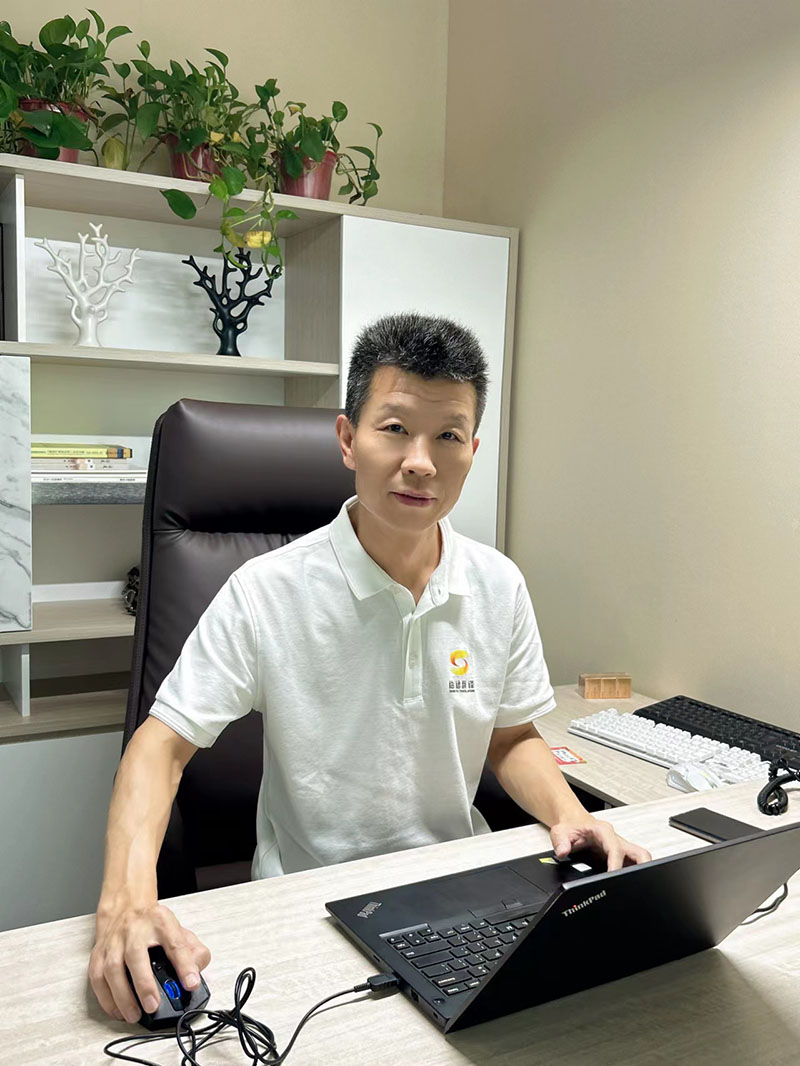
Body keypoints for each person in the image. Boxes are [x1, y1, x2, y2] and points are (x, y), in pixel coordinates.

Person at [89, 311, 651, 1024]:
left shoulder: (498, 585)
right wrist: (127, 903)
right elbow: (160, 745)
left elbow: (511, 737)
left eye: (448, 436)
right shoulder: (268, 590)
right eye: (395, 428)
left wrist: (571, 816)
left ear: (472, 450)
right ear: (348, 439)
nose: (422, 461)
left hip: (460, 890)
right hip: (310, 904)